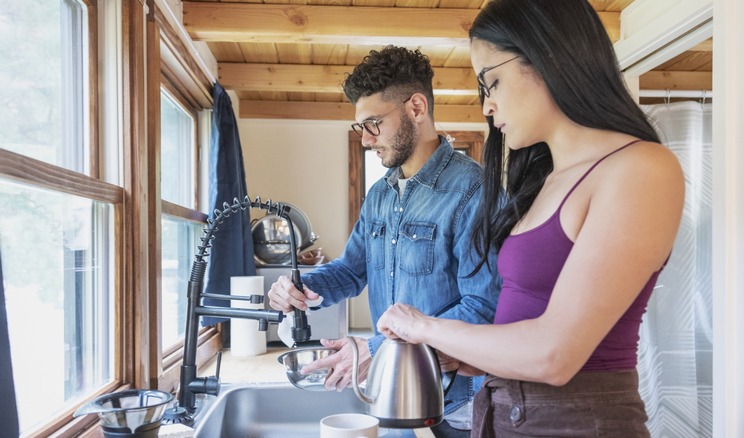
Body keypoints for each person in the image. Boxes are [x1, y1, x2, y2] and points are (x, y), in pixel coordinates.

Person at [376, 1, 686, 437]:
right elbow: (528, 326)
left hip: (575, 424)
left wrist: (426, 325)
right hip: (506, 414)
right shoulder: (545, 181)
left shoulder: (640, 169)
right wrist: (462, 354)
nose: (487, 106)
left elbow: (554, 355)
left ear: (548, 57)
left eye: (493, 81)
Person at [267, 45, 502, 436]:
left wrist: (376, 349)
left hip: (452, 405)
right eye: (361, 127)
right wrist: (302, 286)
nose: (365, 139)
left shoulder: (473, 190)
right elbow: (352, 270)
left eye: (373, 122)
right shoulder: (379, 195)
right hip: (388, 393)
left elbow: (484, 309)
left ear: (416, 107)